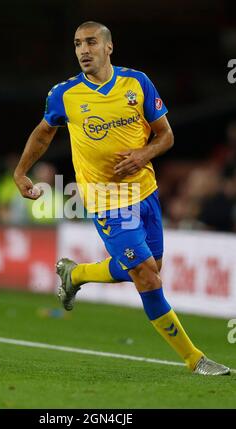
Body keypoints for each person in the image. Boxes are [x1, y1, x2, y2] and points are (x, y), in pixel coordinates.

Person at [14, 21, 230, 375]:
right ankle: (195, 359)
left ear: (108, 47)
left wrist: (143, 155)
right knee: (146, 275)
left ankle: (77, 273)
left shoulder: (137, 83)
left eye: (91, 42)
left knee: (150, 268)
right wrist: (21, 172)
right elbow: (43, 133)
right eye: (77, 44)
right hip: (104, 198)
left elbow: (166, 136)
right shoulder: (64, 94)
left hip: (144, 192)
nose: (83, 50)